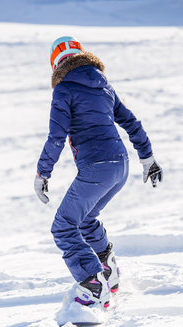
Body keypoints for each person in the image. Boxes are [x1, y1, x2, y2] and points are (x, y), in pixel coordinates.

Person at [34, 36, 162, 309]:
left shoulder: (64, 90)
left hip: (98, 168)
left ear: (55, 65)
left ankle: (92, 286)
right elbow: (130, 121)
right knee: (86, 218)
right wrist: (147, 158)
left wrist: (42, 173)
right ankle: (108, 269)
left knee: (64, 226)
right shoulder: (103, 85)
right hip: (121, 166)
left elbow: (56, 137)